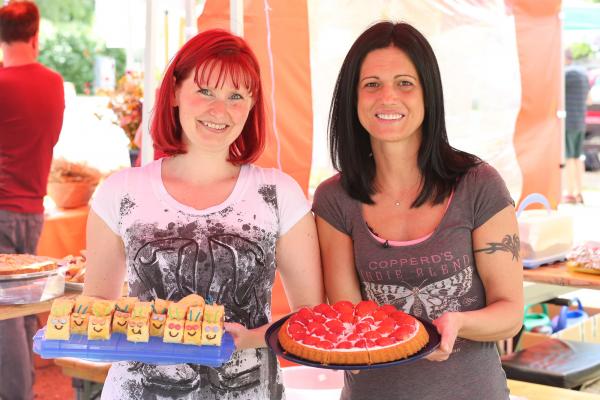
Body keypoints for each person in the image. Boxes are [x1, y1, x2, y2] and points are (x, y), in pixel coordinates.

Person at [83, 29, 324, 400]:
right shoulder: (120, 192)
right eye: (205, 90)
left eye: (235, 96)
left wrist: (250, 339)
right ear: (176, 91)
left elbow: (310, 316)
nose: (219, 110)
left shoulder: (279, 194)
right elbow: (96, 308)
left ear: (251, 104)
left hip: (249, 390)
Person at [312, 22, 523, 399]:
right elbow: (350, 315)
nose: (388, 97)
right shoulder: (333, 200)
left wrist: (458, 322)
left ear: (429, 94)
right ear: (352, 98)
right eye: (372, 84)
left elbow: (510, 314)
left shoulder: (479, 184)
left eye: (405, 83)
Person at [0, 2, 64, 399]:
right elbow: (50, 138)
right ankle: (26, 388)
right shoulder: (53, 83)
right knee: (22, 306)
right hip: (32, 207)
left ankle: (16, 392)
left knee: (5, 314)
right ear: (35, 35)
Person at [562, 48, 591, 204]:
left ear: (565, 58)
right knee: (578, 157)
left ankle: (571, 193)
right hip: (580, 121)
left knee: (569, 158)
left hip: (568, 121)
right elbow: (589, 99)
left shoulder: (566, 75)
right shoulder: (583, 74)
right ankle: (579, 192)